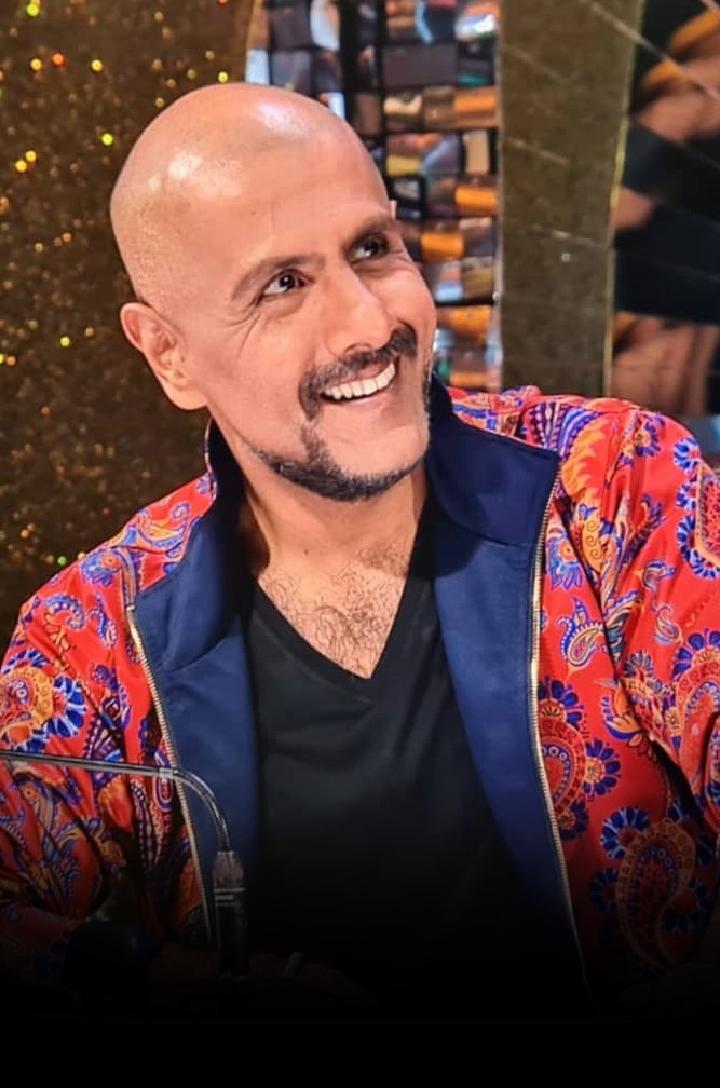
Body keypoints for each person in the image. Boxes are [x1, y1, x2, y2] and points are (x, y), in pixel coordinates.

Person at [1, 82, 719, 1024]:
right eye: (282, 285)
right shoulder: (94, 635)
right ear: (169, 354)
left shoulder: (617, 487)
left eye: (373, 249)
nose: (371, 327)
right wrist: (155, 981)